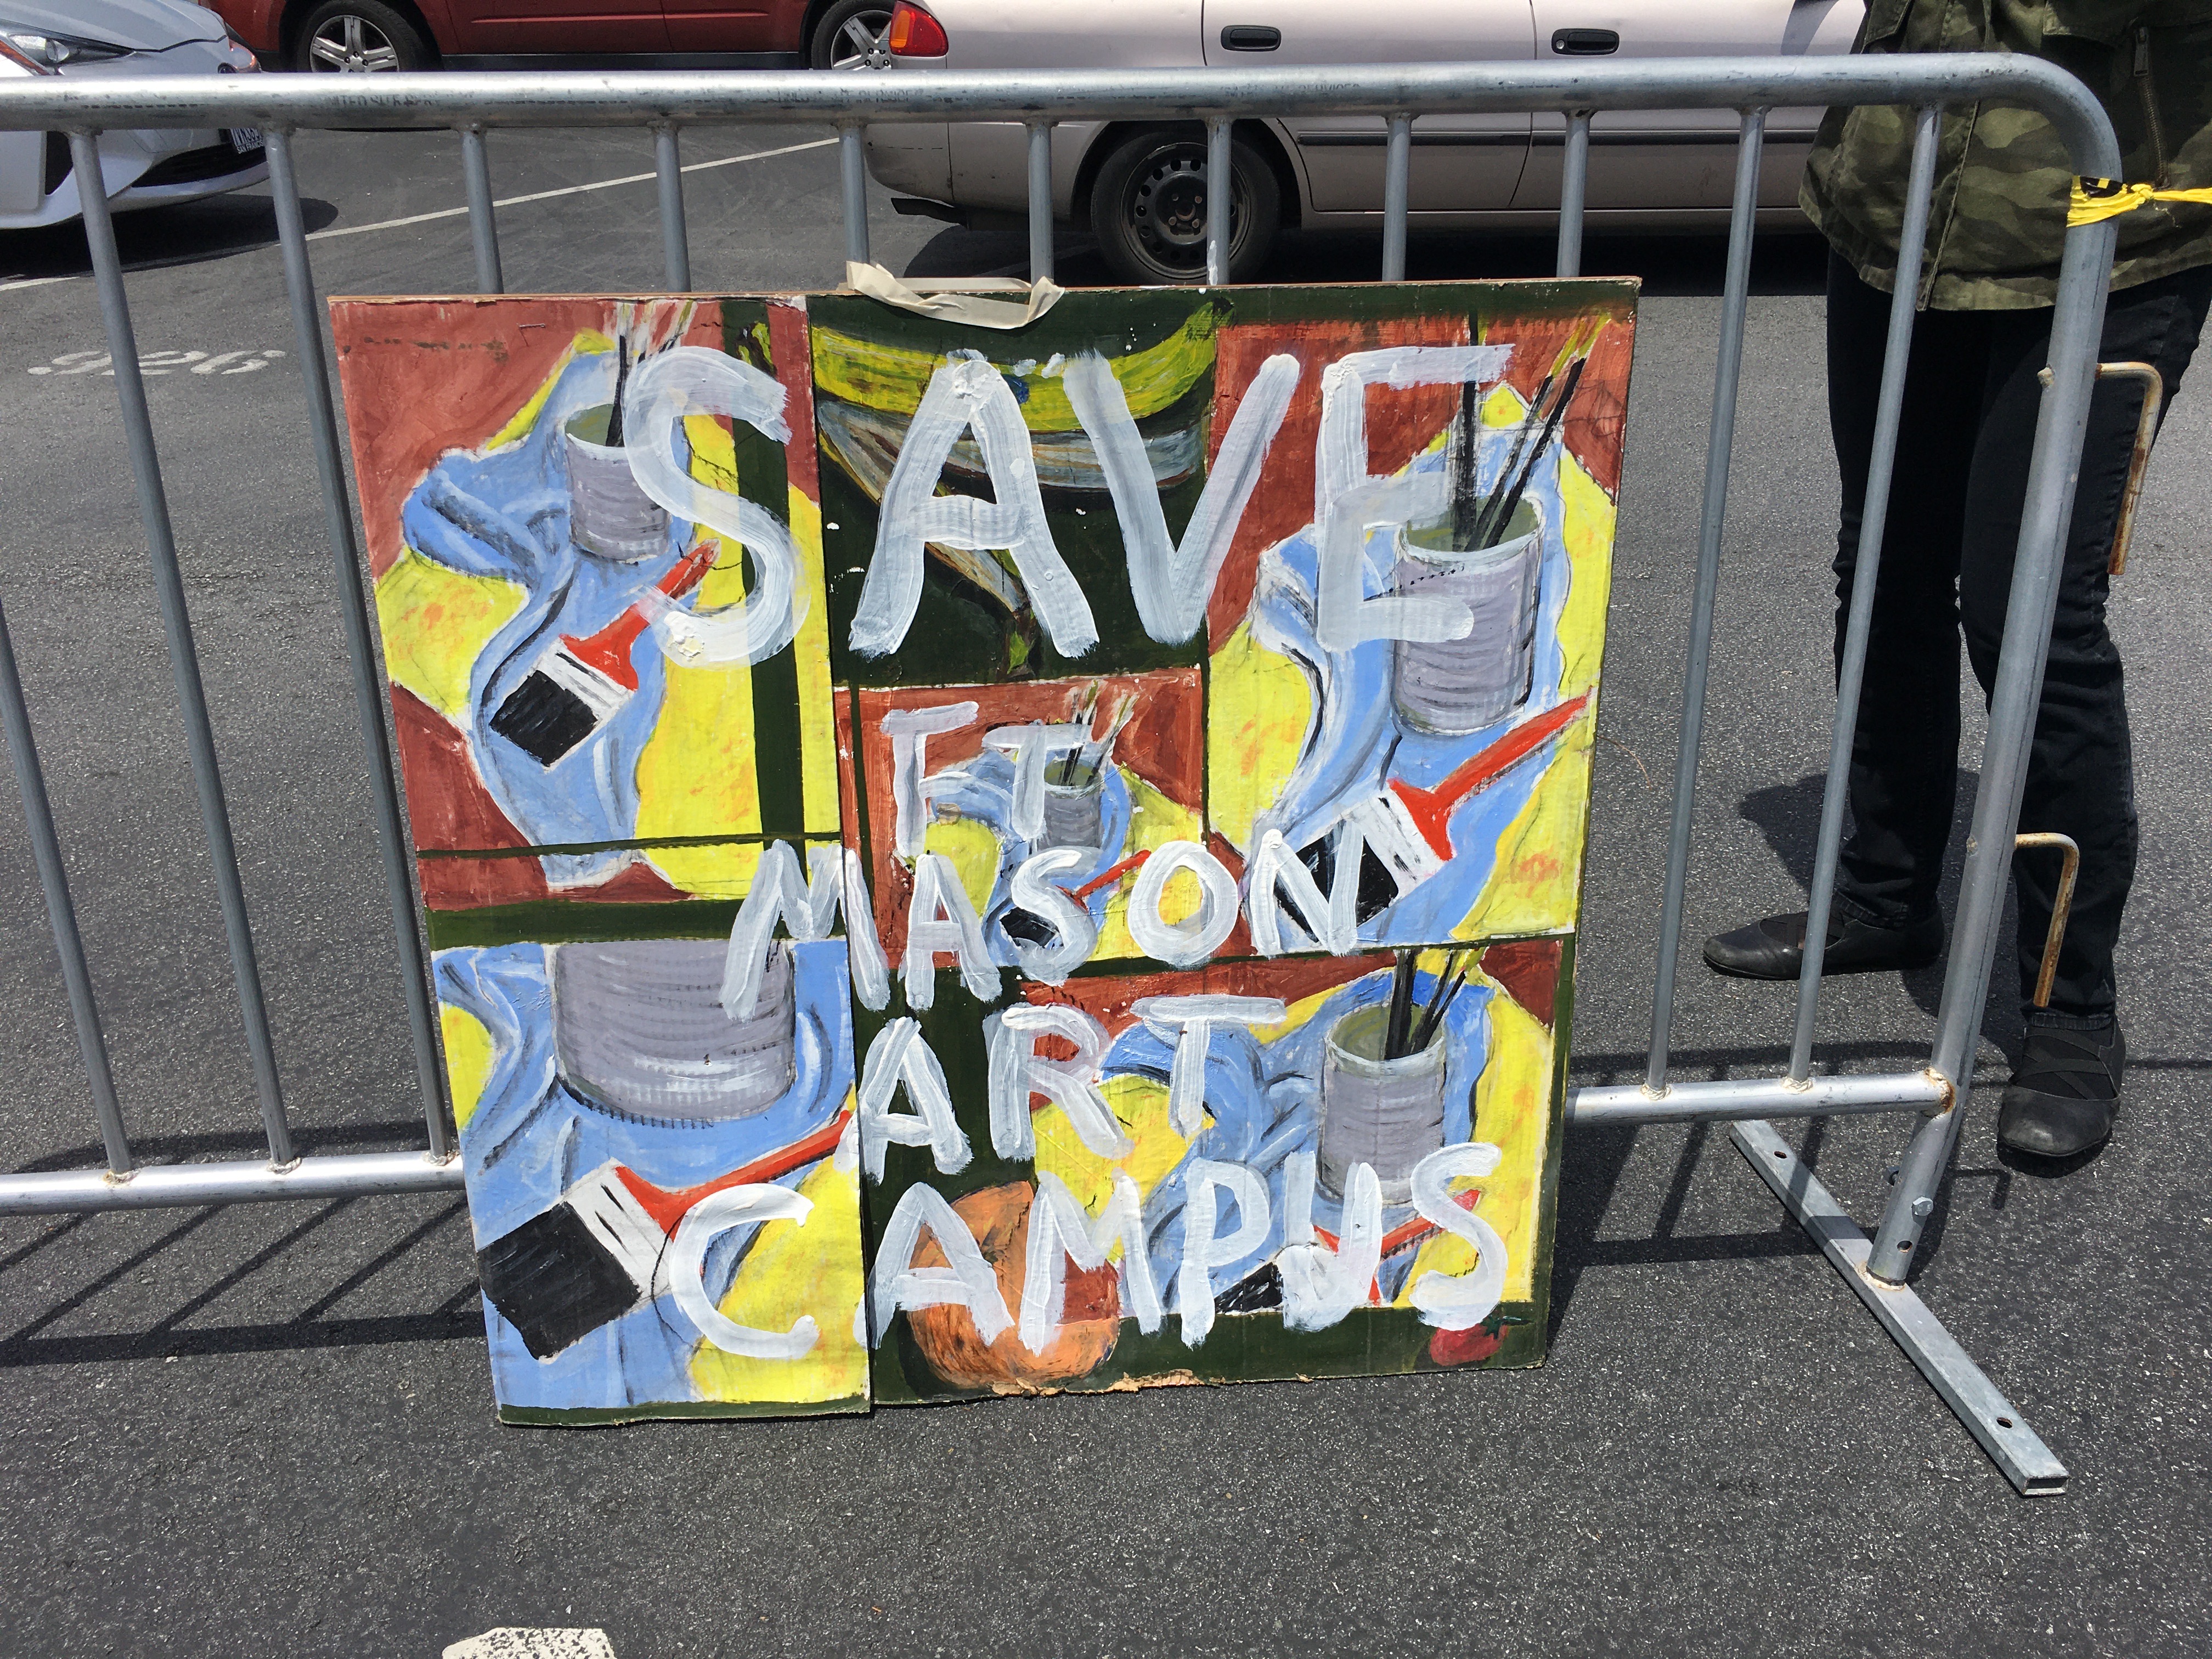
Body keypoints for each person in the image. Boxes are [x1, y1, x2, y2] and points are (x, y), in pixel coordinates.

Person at [1702, 2, 2212, 1161]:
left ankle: (2071, 1011)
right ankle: (1885, 897)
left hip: (2109, 230)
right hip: (1897, 213)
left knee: (2031, 615)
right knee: (1884, 565)